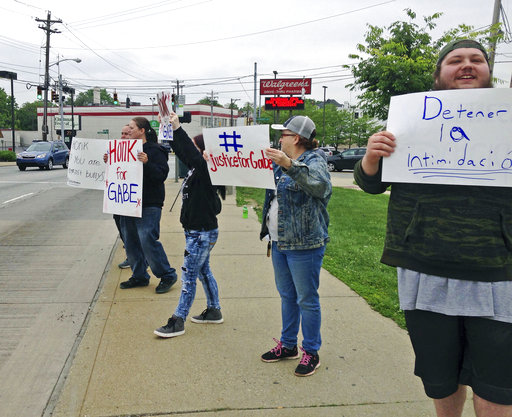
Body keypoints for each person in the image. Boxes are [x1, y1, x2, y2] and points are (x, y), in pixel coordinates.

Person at [354, 39, 512, 417]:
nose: (467, 65)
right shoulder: (408, 120)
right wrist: (372, 157)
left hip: (497, 269)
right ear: (439, 75)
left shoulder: (508, 120)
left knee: (498, 386)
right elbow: (371, 183)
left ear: (490, 72)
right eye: (455, 60)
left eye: (477, 60)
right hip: (424, 267)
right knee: (440, 379)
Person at [259, 115, 331, 377]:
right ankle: (288, 345)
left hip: (305, 244)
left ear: (297, 138)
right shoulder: (278, 163)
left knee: (306, 299)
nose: (280, 138)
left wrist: (289, 164)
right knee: (287, 296)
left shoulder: (314, 160)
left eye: (285, 134)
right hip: (279, 242)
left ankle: (311, 351)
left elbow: (320, 186)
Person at [154, 112, 225, 338]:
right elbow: (185, 153)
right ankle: (214, 309)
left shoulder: (206, 169)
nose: (192, 151)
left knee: (188, 275)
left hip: (201, 233)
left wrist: (177, 128)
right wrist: (168, 128)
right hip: (198, 231)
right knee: (203, 271)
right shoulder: (197, 168)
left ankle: (178, 320)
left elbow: (190, 153)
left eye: (197, 147)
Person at [113, 117, 178, 294]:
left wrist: (147, 163)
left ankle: (167, 274)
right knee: (131, 240)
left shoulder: (155, 150)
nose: (129, 130)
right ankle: (139, 275)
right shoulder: (123, 150)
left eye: (132, 128)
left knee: (147, 238)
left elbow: (160, 176)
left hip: (149, 202)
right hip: (128, 201)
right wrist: (109, 160)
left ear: (142, 131)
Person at [115, 124, 131, 269]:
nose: (123, 136)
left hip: (133, 198)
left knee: (132, 229)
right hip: (119, 197)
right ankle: (128, 248)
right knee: (118, 220)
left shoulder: (139, 151)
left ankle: (132, 257)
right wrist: (108, 160)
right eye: (122, 133)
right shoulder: (116, 150)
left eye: (126, 133)